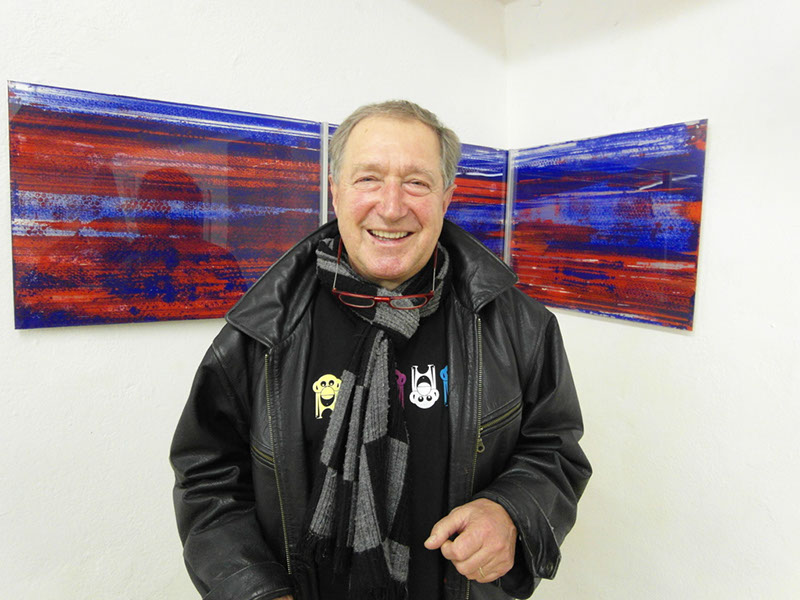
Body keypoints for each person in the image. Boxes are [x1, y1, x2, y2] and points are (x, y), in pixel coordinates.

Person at [170, 100, 591, 600]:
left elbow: (555, 449)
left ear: (446, 197)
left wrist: (512, 513)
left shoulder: (520, 326)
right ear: (335, 190)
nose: (391, 207)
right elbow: (208, 477)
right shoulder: (261, 330)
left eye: (416, 182)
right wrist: (254, 591)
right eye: (368, 179)